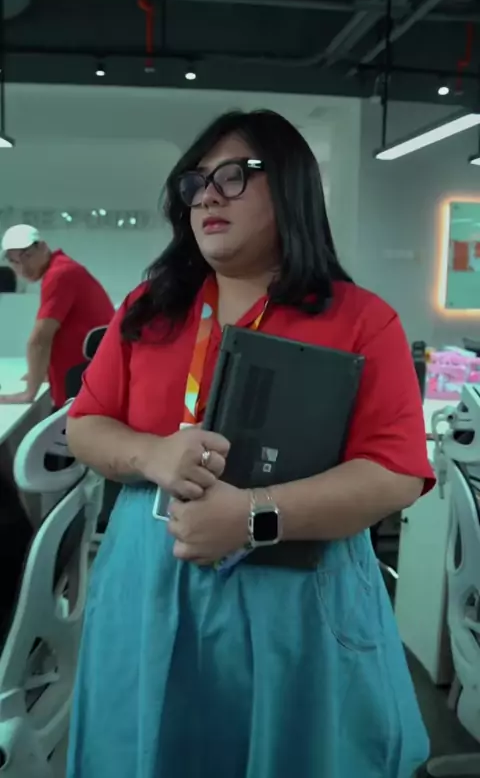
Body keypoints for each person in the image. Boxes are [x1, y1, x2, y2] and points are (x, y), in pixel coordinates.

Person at [65, 110, 434, 778]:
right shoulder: (150, 309)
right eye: (196, 182)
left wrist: (253, 516)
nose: (207, 195)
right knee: (148, 748)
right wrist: (151, 454)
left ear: (290, 185)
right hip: (150, 578)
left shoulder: (359, 319)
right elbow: (85, 424)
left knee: (295, 753)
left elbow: (393, 472)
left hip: (297, 588)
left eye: (233, 176)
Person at [0, 225, 114, 409]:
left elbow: (39, 340)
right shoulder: (64, 268)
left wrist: (28, 392)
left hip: (81, 391)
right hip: (89, 382)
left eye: (27, 256)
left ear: (43, 247)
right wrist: (41, 372)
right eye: (14, 262)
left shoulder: (60, 274)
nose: (23, 268)